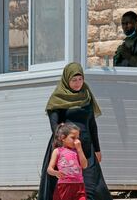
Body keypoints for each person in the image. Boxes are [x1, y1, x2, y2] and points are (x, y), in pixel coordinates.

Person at [38, 62, 112, 200]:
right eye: (74, 80)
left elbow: (92, 125)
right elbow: (55, 127)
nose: (78, 83)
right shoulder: (58, 98)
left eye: (80, 79)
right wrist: (64, 148)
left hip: (86, 148)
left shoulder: (87, 95)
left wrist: (97, 149)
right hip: (65, 148)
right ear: (67, 80)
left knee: (92, 185)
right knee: (63, 188)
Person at [47, 122, 88, 200]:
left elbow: (84, 165)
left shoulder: (78, 151)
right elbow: (49, 169)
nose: (77, 141)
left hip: (79, 185)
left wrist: (80, 149)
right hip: (64, 186)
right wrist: (56, 172)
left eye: (78, 138)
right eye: (73, 138)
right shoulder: (57, 151)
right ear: (63, 137)